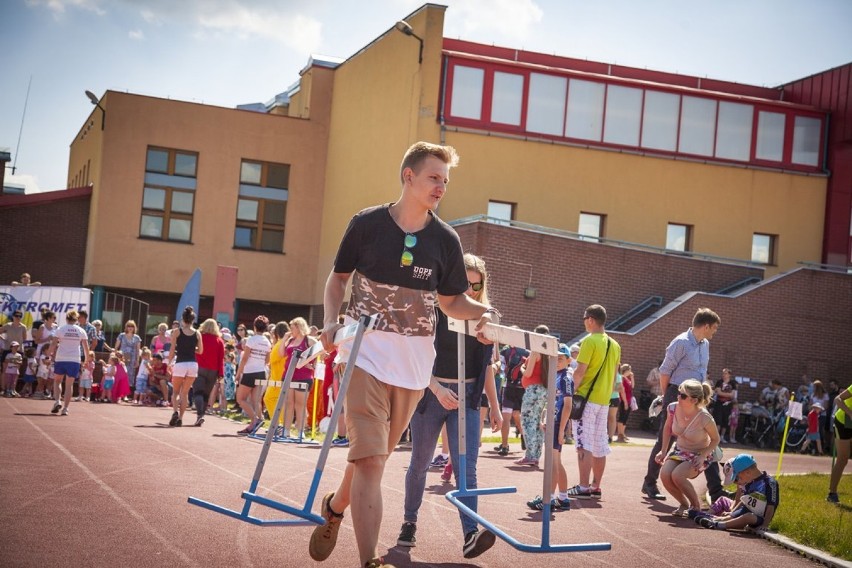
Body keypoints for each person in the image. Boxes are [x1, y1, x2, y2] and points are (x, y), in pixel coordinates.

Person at [308, 141, 497, 568]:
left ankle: (336, 510)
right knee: (372, 460)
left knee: (369, 461)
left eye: (445, 180)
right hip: (362, 354)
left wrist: (486, 313)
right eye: (434, 177)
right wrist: (332, 321)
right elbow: (337, 280)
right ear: (408, 176)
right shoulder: (366, 224)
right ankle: (369, 560)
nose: (441, 187)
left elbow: (453, 303)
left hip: (412, 368)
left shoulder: (445, 241)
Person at [398, 253, 502, 559]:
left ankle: (471, 533)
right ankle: (409, 521)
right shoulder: (434, 310)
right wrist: (436, 387)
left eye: (475, 285)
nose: (468, 291)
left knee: (466, 469)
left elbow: (488, 368)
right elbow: (413, 354)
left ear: (482, 285)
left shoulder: (486, 318)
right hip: (432, 393)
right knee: (420, 462)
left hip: (467, 397)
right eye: (463, 283)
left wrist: (493, 407)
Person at [641, 308, 722, 503]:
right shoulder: (681, 343)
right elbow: (665, 371)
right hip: (678, 393)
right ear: (705, 326)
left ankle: (716, 490)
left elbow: (702, 371)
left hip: (698, 396)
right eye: (714, 328)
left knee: (705, 440)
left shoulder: (705, 344)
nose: (715, 332)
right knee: (665, 438)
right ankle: (650, 482)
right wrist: (667, 396)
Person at [566, 304, 621, 499]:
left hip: (586, 400)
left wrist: (569, 393)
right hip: (604, 400)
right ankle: (595, 485)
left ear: (590, 319)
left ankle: (582, 486)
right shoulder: (615, 345)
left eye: (584, 319)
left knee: (583, 443)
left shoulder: (589, 341)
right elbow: (615, 376)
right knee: (599, 444)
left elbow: (580, 372)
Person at [655, 379, 720, 516]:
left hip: (699, 453)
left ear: (694, 400)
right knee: (665, 475)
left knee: (678, 475)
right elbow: (667, 428)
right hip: (680, 451)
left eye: (683, 396)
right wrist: (663, 450)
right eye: (679, 393)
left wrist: (703, 456)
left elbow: (716, 439)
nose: (678, 397)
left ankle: (696, 506)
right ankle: (684, 504)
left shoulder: (704, 417)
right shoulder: (672, 408)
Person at [527, 343, 574, 511]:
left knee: (553, 462)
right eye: (554, 358)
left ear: (569, 360)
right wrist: (543, 418)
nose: (557, 361)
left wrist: (562, 430)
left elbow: (568, 405)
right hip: (551, 422)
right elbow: (551, 402)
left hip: (557, 425)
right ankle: (563, 497)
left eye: (561, 358)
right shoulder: (556, 375)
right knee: (556, 462)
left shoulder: (566, 377)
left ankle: (550, 498)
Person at [693, 454, 778, 531]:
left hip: (759, 517)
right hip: (746, 510)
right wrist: (733, 512)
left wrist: (765, 524)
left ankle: (718, 525)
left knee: (748, 517)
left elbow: (771, 505)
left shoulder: (770, 483)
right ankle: (712, 519)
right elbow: (744, 500)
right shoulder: (750, 482)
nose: (739, 479)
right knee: (728, 517)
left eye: (739, 476)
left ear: (747, 472)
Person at [515, 324, 551, 467]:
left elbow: (528, 373)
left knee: (527, 421)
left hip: (532, 390)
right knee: (536, 423)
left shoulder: (536, 351)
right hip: (542, 390)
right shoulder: (549, 352)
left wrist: (523, 367)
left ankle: (530, 455)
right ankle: (535, 455)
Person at [47, 310, 91, 416]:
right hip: (74, 360)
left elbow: (53, 344)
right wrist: (86, 360)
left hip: (61, 358)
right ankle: (65, 408)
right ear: (76, 320)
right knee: (69, 385)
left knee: (57, 381)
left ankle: (57, 401)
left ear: (67, 319)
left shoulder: (60, 329)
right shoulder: (81, 330)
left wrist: (48, 355)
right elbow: (86, 348)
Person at [234, 315, 271, 435]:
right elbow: (267, 360)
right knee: (255, 401)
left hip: (250, 372)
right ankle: (254, 422)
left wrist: (238, 374)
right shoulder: (267, 341)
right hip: (261, 372)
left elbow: (244, 359)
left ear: (255, 327)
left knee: (240, 399)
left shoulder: (252, 339)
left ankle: (255, 420)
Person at [282, 317, 318, 437]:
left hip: (303, 376)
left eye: (292, 327)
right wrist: (284, 340)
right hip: (288, 375)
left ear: (299, 327)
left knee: (300, 404)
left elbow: (321, 351)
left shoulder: (309, 340)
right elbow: (281, 354)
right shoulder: (291, 339)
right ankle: (286, 430)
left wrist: (311, 364)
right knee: (288, 403)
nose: (290, 330)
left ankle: (300, 431)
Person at [168, 307, 203, 427]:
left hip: (180, 363)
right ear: (193, 320)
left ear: (182, 319)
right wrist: (192, 348)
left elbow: (172, 349)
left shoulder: (177, 332)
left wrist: (168, 362)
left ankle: (175, 412)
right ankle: (181, 418)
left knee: (176, 392)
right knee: (185, 393)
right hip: (193, 364)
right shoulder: (197, 333)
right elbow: (200, 351)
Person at [193, 318, 225, 427]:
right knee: (206, 395)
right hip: (213, 370)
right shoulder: (220, 341)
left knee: (198, 393)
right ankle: (202, 415)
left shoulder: (199, 337)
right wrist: (221, 374)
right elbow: (221, 359)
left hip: (199, 368)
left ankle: (199, 415)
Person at [263, 321, 290, 435]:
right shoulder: (285, 343)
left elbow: (272, 359)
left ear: (276, 333)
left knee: (269, 399)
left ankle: (279, 424)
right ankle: (279, 424)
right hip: (278, 376)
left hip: (278, 377)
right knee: (275, 401)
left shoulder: (280, 344)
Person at [827, 383, 852, 504]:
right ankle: (832, 493)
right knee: (843, 458)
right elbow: (838, 399)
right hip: (844, 422)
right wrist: (850, 413)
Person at [114, 320, 142, 391]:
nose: (130, 328)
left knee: (130, 375)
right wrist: (116, 355)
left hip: (132, 358)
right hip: (122, 358)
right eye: (128, 326)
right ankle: (119, 392)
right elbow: (116, 347)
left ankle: (126, 393)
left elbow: (138, 350)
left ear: (134, 327)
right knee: (121, 374)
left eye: (132, 326)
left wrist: (137, 360)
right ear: (126, 327)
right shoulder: (122, 335)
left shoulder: (137, 337)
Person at [714, 368, 738, 443]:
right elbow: (718, 393)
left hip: (728, 405)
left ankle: (722, 437)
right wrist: (728, 394)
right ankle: (716, 437)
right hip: (719, 404)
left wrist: (724, 393)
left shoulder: (732, 383)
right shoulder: (719, 382)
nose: (724, 375)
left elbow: (733, 395)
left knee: (725, 421)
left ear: (729, 375)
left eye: (726, 373)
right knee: (718, 420)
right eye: (723, 373)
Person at [616, 363, 634, 443]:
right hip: (624, 400)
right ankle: (620, 434)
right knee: (622, 417)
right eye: (629, 370)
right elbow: (622, 390)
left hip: (629, 400)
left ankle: (622, 434)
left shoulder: (627, 378)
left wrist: (632, 377)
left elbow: (632, 386)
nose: (630, 372)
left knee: (625, 418)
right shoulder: (622, 378)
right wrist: (625, 402)